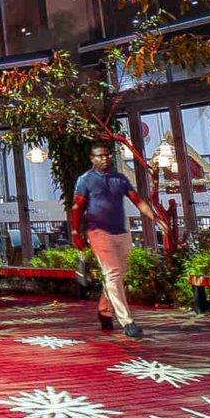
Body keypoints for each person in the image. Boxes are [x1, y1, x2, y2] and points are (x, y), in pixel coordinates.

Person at [72, 144, 148, 340]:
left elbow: (137, 200)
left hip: (120, 232)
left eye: (108, 155)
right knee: (113, 274)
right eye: (100, 156)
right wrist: (75, 232)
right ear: (92, 158)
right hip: (98, 232)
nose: (105, 159)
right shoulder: (85, 180)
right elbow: (77, 207)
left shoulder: (119, 179)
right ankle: (127, 322)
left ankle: (105, 311)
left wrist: (155, 218)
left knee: (117, 274)